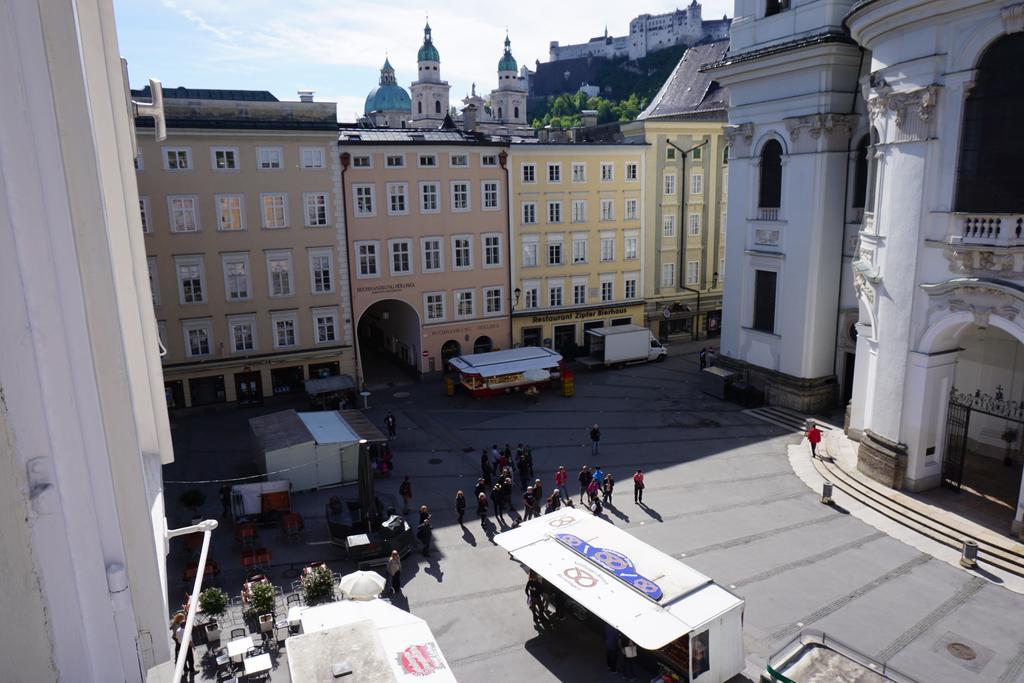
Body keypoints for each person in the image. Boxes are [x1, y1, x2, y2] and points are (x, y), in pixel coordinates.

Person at [170, 613, 196, 678]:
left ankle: (186, 670)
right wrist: (193, 646)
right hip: (183, 644)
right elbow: (188, 640)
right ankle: (192, 671)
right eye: (183, 619)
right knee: (190, 658)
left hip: (178, 644)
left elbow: (174, 633)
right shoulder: (181, 629)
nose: (184, 620)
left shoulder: (174, 624)